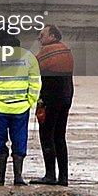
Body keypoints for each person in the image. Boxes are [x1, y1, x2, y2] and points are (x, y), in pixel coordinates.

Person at [0, 30, 41, 186]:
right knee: (19, 141)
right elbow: (35, 83)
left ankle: (0, 177)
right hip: (20, 108)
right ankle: (18, 177)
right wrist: (30, 102)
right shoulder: (28, 57)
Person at [30, 24, 74, 186]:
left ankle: (50, 175)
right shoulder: (66, 50)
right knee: (60, 137)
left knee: (47, 135)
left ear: (53, 36)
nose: (39, 38)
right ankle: (63, 177)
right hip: (67, 97)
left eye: (42, 35)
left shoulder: (48, 51)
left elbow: (32, 67)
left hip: (51, 98)